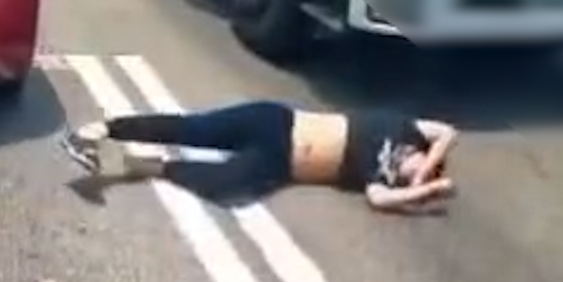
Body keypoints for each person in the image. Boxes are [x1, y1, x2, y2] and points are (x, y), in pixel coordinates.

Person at [60, 100, 457, 214]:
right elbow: (448, 131)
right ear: (420, 154)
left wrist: (426, 189)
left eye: (409, 181)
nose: (407, 178)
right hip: (278, 120)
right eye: (414, 172)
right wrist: (431, 169)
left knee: (224, 187)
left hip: (279, 163)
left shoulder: (382, 179)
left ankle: (136, 166)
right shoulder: (403, 126)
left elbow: (379, 199)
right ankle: (99, 130)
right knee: (194, 128)